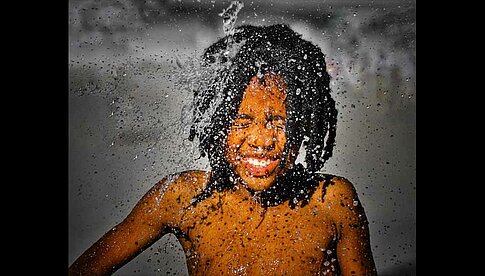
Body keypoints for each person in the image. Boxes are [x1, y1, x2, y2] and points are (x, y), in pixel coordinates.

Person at [69, 24, 377, 275]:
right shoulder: (184, 199)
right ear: (217, 125)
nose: (261, 139)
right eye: (242, 121)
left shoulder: (330, 201)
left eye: (280, 123)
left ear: (306, 125)